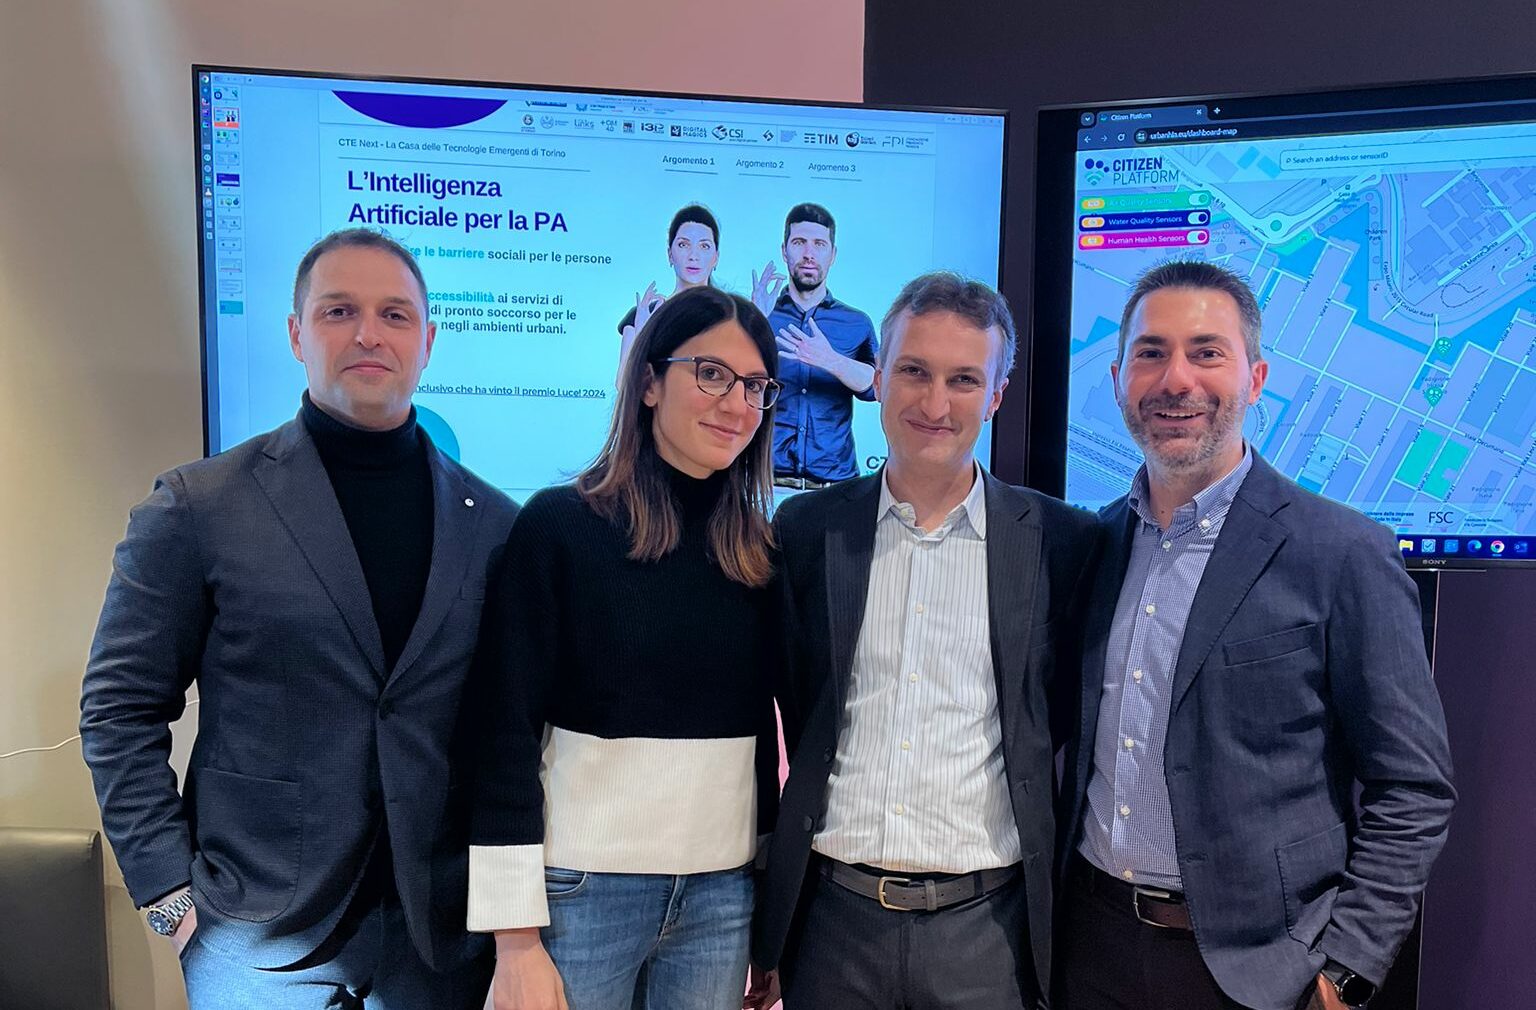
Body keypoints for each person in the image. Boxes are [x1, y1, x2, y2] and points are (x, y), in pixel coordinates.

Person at [78, 228, 518, 1007]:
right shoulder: (199, 506)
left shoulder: (494, 524)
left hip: (437, 942)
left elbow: (501, 737)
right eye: (339, 310)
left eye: (395, 315)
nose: (369, 333)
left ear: (427, 342)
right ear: (296, 334)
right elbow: (118, 710)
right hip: (254, 942)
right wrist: (170, 899)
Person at [1057, 260, 1456, 1010]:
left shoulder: (1340, 553)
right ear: (1118, 379)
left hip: (1262, 977)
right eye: (1151, 353)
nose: (1176, 379)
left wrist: (1345, 971)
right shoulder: (1091, 547)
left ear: (1257, 378)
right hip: (1090, 952)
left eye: (1206, 352)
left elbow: (1413, 787)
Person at [753, 273, 1099, 1009]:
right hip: (832, 928)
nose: (935, 405)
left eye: (964, 380)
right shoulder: (806, 531)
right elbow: (791, 706)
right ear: (877, 377)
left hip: (990, 936)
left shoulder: (1062, 542)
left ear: (996, 395)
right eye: (914, 371)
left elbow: (1064, 717)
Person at [469, 286, 786, 1010]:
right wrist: (513, 941)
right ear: (648, 381)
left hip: (721, 898)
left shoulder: (758, 553)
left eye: (755, 386)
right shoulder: (558, 527)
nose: (736, 404)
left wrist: (767, 917)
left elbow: (757, 744)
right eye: (711, 374)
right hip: (581, 892)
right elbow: (502, 731)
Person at [768, 202, 879, 490]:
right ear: (784, 251)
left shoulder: (856, 322)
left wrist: (831, 360)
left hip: (836, 489)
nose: (808, 254)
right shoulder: (761, 316)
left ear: (833, 255)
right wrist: (750, 323)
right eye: (799, 243)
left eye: (819, 244)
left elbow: (878, 388)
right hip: (766, 486)